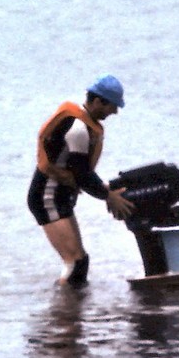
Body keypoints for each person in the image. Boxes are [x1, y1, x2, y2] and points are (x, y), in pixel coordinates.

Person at [27, 74, 134, 286]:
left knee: (80, 262)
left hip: (59, 197)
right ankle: (63, 315)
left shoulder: (84, 125)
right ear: (97, 101)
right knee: (75, 262)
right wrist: (108, 196)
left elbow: (79, 174)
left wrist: (107, 190)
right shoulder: (78, 130)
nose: (115, 112)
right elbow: (81, 174)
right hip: (47, 198)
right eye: (112, 106)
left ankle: (71, 311)